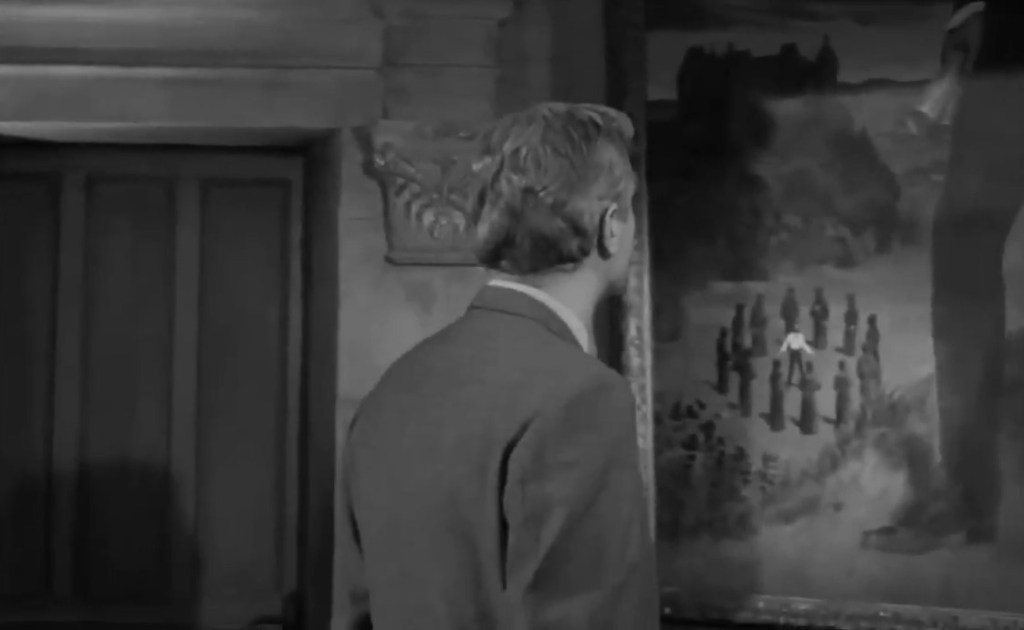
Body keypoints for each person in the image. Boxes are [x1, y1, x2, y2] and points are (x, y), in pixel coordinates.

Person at [335, 103, 659, 628]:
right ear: (611, 227)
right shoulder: (582, 396)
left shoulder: (395, 387)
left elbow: (356, 610)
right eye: (629, 208)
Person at [863, 0, 1024, 554]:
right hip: (1001, 62)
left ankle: (968, 496)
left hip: (1005, 71)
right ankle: (970, 498)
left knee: (963, 269)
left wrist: (963, 56)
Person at [798, 362, 822, 435]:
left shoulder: (804, 375)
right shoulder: (814, 375)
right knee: (812, 412)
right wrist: (813, 387)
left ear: (806, 368)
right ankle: (812, 428)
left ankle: (805, 428)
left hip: (805, 396)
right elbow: (819, 386)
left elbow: (800, 387)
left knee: (805, 412)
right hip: (811, 397)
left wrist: (805, 387)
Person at [735, 346, 755, 419]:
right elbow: (753, 375)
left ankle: (743, 408)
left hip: (742, 382)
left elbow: (736, 369)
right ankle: (746, 411)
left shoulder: (742, 363)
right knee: (747, 397)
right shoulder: (749, 365)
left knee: (742, 396)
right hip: (747, 383)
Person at [833, 359, 852, 431]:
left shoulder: (837, 376)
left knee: (839, 408)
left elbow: (835, 387)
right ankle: (844, 421)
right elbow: (850, 384)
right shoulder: (847, 375)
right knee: (845, 407)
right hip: (845, 394)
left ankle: (840, 421)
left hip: (840, 394)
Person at [768, 359, 786, 432]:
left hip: (774, 394)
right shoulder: (779, 374)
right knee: (779, 409)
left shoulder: (772, 374)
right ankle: (779, 425)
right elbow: (781, 385)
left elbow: (772, 384)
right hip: (778, 393)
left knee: (774, 409)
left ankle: (774, 425)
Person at [716, 326, 731, 395]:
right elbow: (725, 353)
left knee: (720, 375)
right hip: (723, 362)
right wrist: (730, 357)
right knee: (724, 376)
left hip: (720, 360)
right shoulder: (723, 341)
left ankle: (720, 388)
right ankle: (723, 390)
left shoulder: (719, 340)